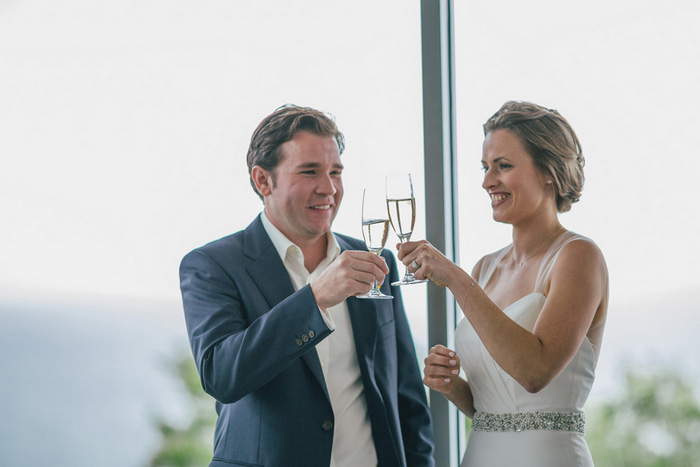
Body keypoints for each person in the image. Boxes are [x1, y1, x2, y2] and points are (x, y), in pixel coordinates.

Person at [179, 104, 434, 467]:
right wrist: (315, 299)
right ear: (262, 180)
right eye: (310, 172)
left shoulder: (375, 260)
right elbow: (221, 375)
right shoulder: (213, 265)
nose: (329, 188)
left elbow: (406, 395)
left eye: (335, 172)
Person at [398, 101, 608, 466]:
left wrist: (455, 279)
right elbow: (492, 407)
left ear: (548, 171)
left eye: (503, 166)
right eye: (485, 167)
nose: (487, 181)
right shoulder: (486, 268)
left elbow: (534, 373)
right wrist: (450, 385)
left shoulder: (578, 257)